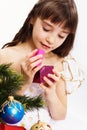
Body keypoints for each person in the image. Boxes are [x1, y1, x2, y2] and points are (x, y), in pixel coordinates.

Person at [0, 0, 84, 130]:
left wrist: (51, 93)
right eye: (46, 29)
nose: (51, 40)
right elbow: (3, 109)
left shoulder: (59, 63)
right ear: (33, 19)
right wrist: (24, 82)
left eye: (61, 36)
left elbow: (60, 116)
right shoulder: (7, 56)